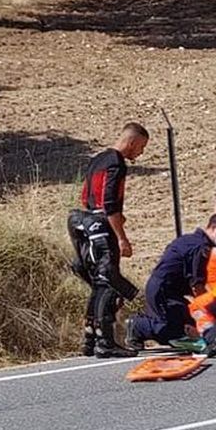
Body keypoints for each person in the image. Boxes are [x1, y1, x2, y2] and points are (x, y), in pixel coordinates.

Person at [68, 122, 148, 357]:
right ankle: (106, 342)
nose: (141, 152)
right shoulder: (116, 162)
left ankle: (90, 338)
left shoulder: (97, 159)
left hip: (84, 223)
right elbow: (110, 203)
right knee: (109, 281)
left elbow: (86, 196)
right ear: (131, 142)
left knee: (98, 281)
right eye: (141, 147)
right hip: (102, 226)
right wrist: (122, 238)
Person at [126, 213, 216, 348]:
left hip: (168, 290)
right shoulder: (200, 247)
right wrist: (210, 310)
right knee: (177, 332)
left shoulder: (189, 239)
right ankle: (138, 326)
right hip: (164, 291)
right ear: (213, 228)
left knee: (190, 322)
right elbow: (197, 286)